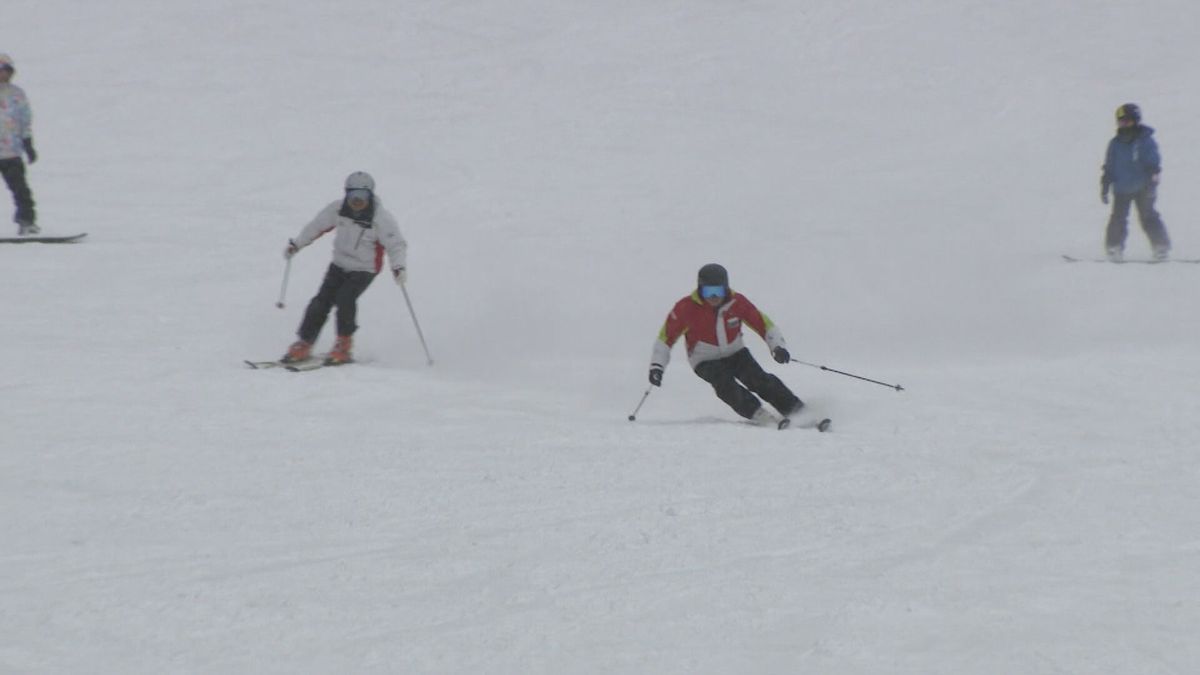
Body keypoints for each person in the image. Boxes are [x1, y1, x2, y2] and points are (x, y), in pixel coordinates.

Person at [648, 263, 804, 426]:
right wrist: (657, 367)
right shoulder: (686, 308)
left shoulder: (737, 302)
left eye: (719, 291)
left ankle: (797, 411)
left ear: (726, 288)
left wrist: (777, 347)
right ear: (700, 289)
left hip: (735, 351)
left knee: (759, 379)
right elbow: (665, 339)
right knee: (724, 384)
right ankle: (759, 414)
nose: (714, 297)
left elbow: (764, 325)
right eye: (709, 291)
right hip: (704, 359)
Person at [280, 171, 407, 365]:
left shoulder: (380, 218)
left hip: (365, 268)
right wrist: (297, 244)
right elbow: (316, 226)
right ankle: (304, 342)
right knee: (320, 302)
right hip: (339, 265)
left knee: (345, 299)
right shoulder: (338, 210)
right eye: (353, 195)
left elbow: (395, 244)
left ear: (370, 195)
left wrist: (398, 267)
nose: (357, 201)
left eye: (362, 196)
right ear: (346, 194)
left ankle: (344, 345)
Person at [1100, 103, 1170, 262]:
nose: (1123, 125)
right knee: (1118, 218)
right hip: (1121, 188)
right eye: (1121, 122)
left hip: (1143, 186)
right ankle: (1114, 248)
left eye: (1127, 121)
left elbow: (1153, 159)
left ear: (1136, 121)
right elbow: (1110, 165)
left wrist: (1153, 172)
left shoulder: (1145, 141)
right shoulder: (1115, 144)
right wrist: (1105, 183)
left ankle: (1160, 247)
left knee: (1148, 216)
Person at [0, 53, 38, 235]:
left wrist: (27, 143)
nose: (2, 75)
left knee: (21, 190)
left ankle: (26, 221)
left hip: (11, 153)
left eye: (6, 71)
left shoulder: (16, 94)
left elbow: (25, 120)